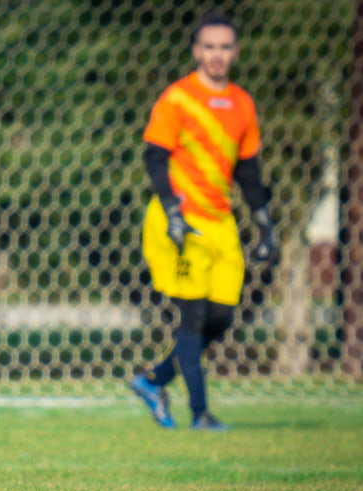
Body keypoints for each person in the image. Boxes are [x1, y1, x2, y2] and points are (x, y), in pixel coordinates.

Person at [132, 13, 275, 431]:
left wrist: (265, 225)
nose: (217, 54)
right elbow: (154, 156)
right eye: (209, 46)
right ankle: (200, 414)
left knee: (223, 317)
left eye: (225, 47)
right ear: (196, 51)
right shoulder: (178, 99)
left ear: (235, 52)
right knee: (193, 319)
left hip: (221, 222)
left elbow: (248, 170)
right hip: (179, 222)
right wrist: (173, 211)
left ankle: (153, 380)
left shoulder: (242, 104)